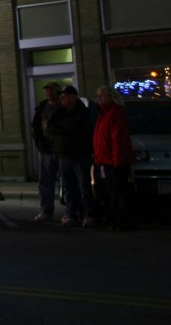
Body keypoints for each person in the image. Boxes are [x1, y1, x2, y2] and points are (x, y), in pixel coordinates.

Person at [47, 85, 96, 228]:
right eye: (61, 96)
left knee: (84, 186)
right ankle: (70, 214)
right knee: (68, 187)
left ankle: (88, 214)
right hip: (64, 154)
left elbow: (75, 127)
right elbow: (50, 127)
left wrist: (62, 127)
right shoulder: (59, 111)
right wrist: (62, 128)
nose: (62, 98)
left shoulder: (83, 111)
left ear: (73, 97)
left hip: (80, 154)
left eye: (65, 95)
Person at [93, 85, 136, 231]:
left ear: (111, 96)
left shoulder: (115, 114)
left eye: (102, 95)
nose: (99, 98)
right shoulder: (103, 115)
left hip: (114, 161)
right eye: (99, 96)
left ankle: (122, 220)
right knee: (111, 191)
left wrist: (118, 160)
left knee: (119, 191)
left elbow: (118, 139)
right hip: (105, 160)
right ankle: (115, 218)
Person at [30, 81, 62, 222]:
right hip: (46, 150)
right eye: (47, 90)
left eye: (51, 90)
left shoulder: (62, 106)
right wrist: (39, 143)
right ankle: (46, 211)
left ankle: (71, 212)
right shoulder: (42, 107)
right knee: (45, 183)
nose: (49, 92)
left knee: (67, 183)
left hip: (61, 150)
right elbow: (36, 127)